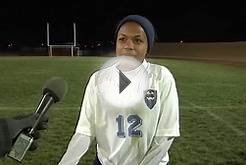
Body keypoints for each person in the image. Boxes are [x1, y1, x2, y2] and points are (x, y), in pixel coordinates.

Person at [59, 15, 180, 165]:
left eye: (138, 40)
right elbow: (85, 131)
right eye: (122, 39)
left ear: (148, 47)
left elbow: (165, 135)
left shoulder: (161, 77)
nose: (128, 45)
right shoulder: (98, 80)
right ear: (116, 43)